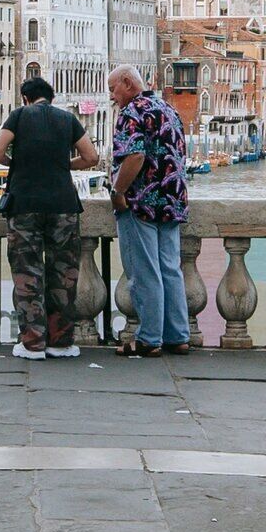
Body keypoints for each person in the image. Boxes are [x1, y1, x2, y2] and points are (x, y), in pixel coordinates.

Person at [0, 72, 100, 359]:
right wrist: (64, 166)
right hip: (63, 205)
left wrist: (18, 163)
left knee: (28, 274)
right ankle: (61, 343)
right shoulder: (67, 120)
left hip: (24, 204)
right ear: (51, 98)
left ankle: (33, 344)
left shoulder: (19, 115)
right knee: (63, 274)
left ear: (26, 98)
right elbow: (91, 157)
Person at [106, 66, 194, 354]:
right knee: (170, 269)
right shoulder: (168, 109)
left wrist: (118, 191)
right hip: (172, 198)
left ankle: (149, 339)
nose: (112, 96)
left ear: (128, 83)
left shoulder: (132, 112)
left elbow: (136, 155)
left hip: (141, 201)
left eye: (113, 89)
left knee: (144, 271)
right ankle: (178, 336)